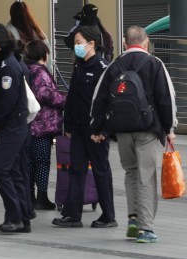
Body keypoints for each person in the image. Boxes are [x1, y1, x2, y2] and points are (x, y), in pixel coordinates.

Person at [89, 26, 177, 243]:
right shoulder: (155, 64)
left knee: (131, 172)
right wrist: (169, 129)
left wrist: (98, 129)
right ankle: (146, 228)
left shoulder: (114, 65)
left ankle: (133, 220)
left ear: (125, 43)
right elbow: (166, 98)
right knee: (146, 175)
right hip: (147, 129)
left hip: (122, 129)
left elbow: (99, 99)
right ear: (145, 42)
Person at [52, 25, 117, 229]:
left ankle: (108, 215)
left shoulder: (104, 68)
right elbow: (72, 98)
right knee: (76, 170)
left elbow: (109, 103)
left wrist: (103, 130)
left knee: (100, 171)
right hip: (78, 128)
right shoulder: (79, 65)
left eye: (79, 43)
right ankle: (72, 214)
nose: (76, 46)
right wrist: (68, 124)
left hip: (95, 131)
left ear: (91, 44)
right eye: (75, 43)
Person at [0, 23, 34, 234]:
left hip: (12, 126)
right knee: (15, 171)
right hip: (18, 124)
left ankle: (15, 216)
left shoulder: (6, 67)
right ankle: (22, 217)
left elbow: (7, 99)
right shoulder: (11, 62)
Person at [25, 40, 65, 210]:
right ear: (43, 54)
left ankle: (29, 196)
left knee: (29, 163)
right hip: (41, 125)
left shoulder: (26, 69)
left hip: (28, 125)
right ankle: (41, 197)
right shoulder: (39, 72)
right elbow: (43, 93)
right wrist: (63, 100)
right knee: (41, 162)